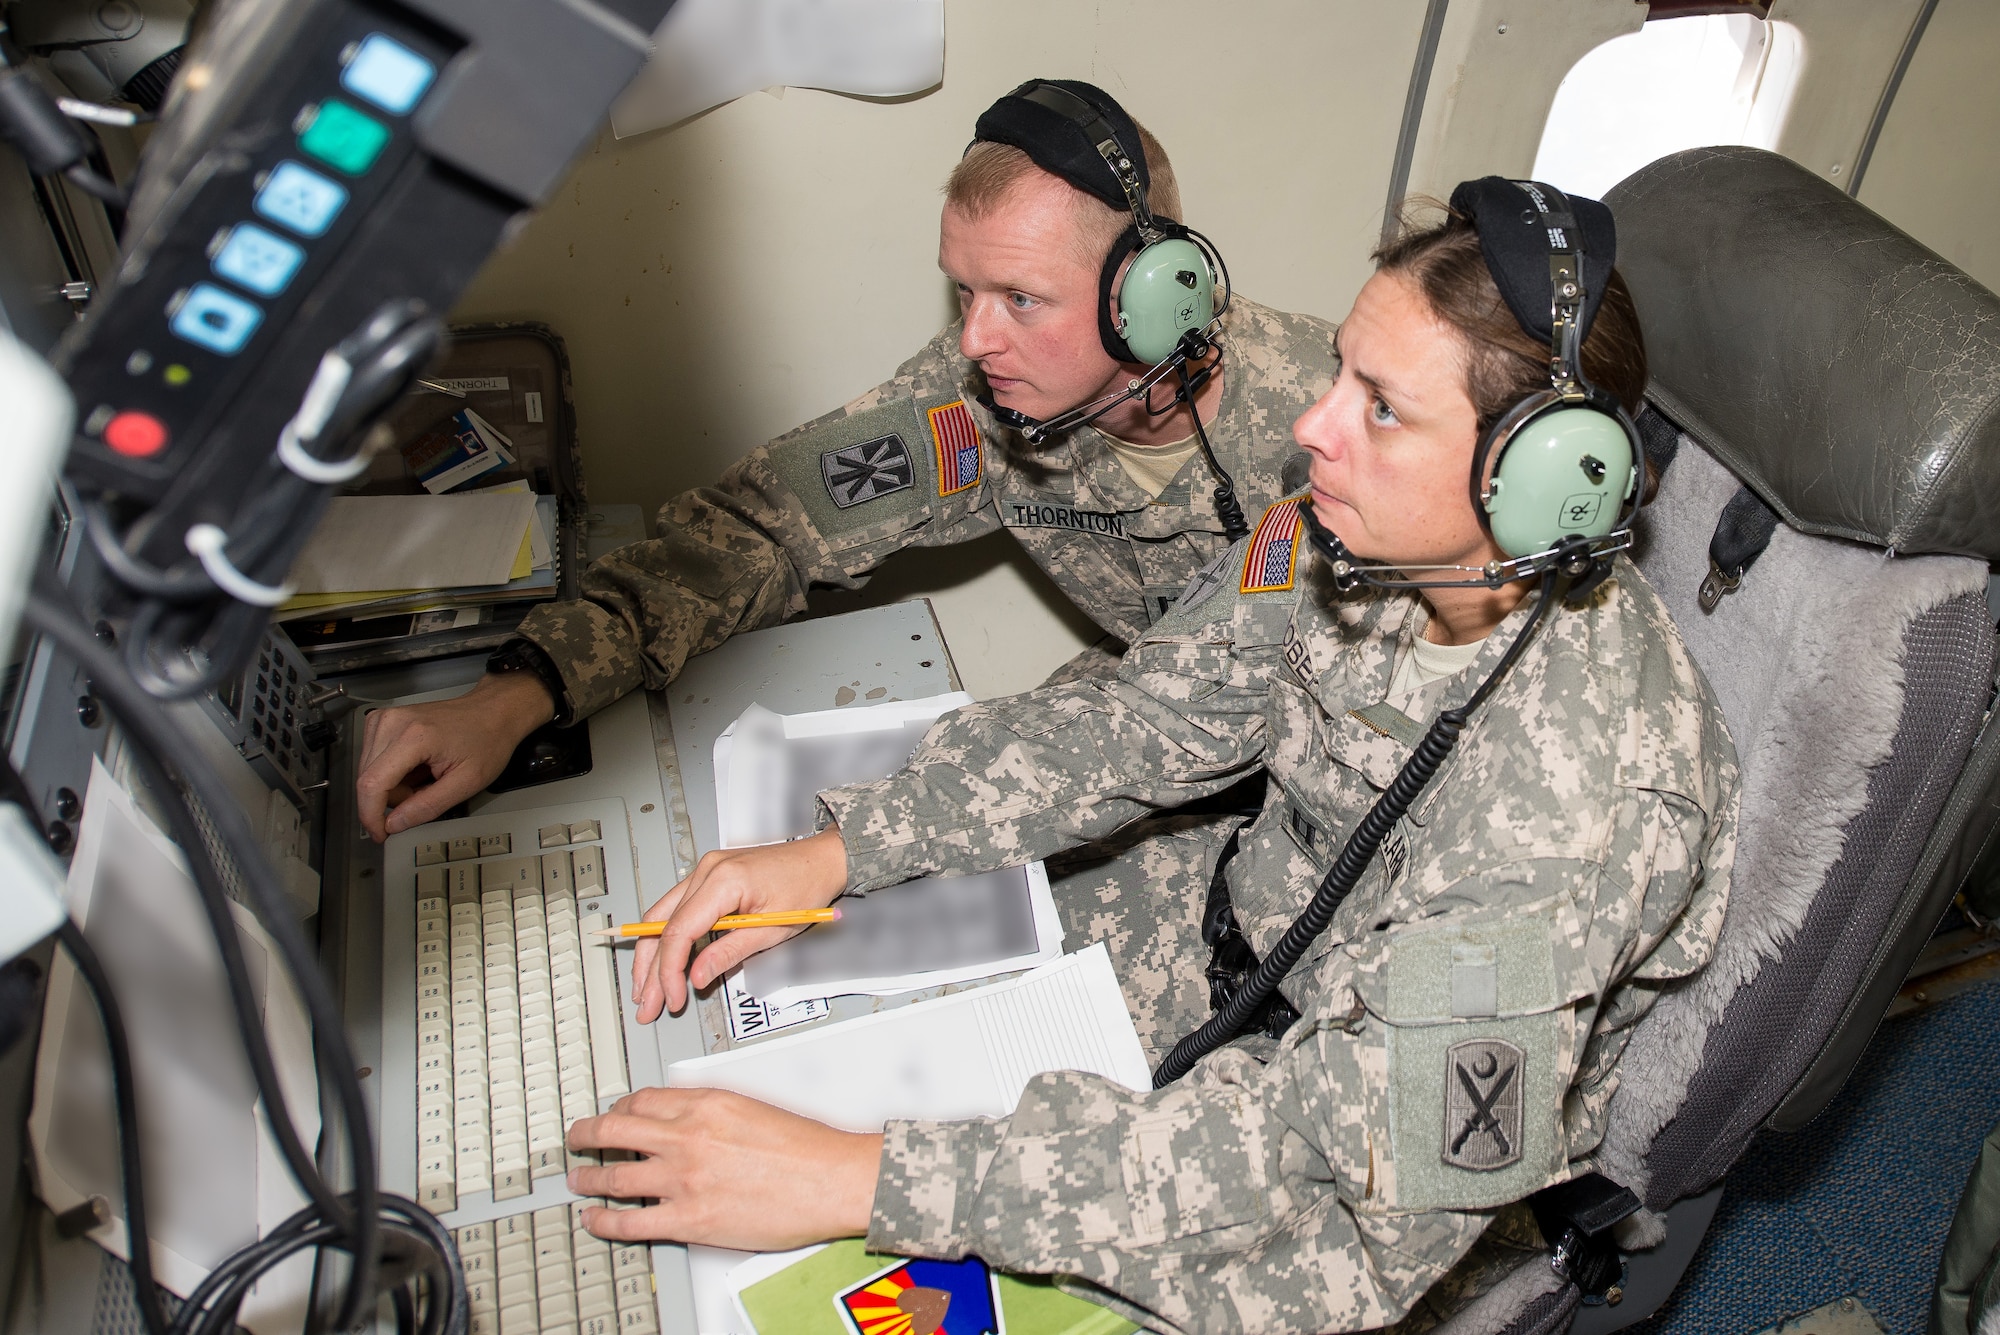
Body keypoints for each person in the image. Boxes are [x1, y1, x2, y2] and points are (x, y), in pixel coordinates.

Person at [557, 181, 1741, 1333]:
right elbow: (1151, 718)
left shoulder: (1574, 806)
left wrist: (867, 1184)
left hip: (1344, 1170)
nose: (1307, 428)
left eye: (1378, 407)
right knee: (779, 1016)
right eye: (1337, 373)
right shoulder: (1358, 542)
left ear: (1542, 488)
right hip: (1229, 942)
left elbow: (1358, 1207)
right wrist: (842, 849)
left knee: (803, 1223)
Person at [354, 79, 1341, 847]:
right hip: (1152, 721)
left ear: (1152, 301)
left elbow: (1245, 728)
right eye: (962, 292)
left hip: (1322, 781)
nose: (974, 341)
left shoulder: (1335, 440)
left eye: (1019, 299)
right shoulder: (986, 401)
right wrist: (520, 690)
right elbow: (764, 524)